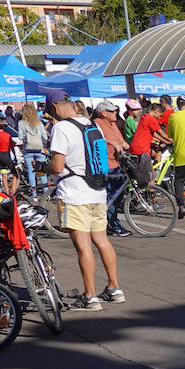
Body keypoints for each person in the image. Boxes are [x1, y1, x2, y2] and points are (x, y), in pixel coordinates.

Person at [44, 94, 122, 309]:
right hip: (97, 191)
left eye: (49, 110)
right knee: (102, 241)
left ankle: (90, 295)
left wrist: (43, 167)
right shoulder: (91, 124)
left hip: (75, 193)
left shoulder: (61, 128)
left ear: (54, 107)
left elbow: (58, 166)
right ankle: (114, 288)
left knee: (83, 246)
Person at [91, 100, 131, 237]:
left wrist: (129, 147)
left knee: (117, 195)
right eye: (112, 111)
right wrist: (112, 143)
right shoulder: (96, 124)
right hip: (105, 164)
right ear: (103, 113)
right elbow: (98, 140)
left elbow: (122, 141)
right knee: (110, 197)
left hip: (117, 163)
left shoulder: (113, 124)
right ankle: (112, 226)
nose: (115, 113)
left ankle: (111, 222)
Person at [17, 102, 48, 189]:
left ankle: (33, 193)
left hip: (28, 150)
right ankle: (46, 191)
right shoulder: (38, 123)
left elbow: (20, 137)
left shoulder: (21, 123)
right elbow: (44, 137)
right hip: (39, 149)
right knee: (41, 171)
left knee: (31, 171)